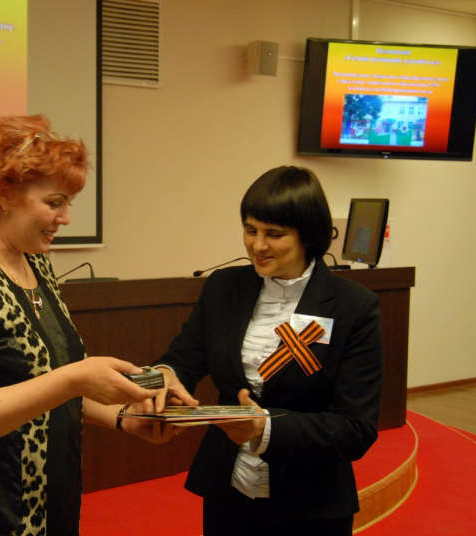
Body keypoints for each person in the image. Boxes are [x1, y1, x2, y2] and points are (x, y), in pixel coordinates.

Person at [0, 115, 154, 536]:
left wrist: (124, 417)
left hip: (45, 509)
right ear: (5, 194)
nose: (65, 218)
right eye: (54, 203)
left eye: (69, 204)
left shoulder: (35, 263)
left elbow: (44, 388)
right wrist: (75, 378)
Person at [125, 166, 383, 535]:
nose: (257, 246)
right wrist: (160, 378)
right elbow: (181, 360)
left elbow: (355, 428)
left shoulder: (353, 307)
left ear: (309, 235)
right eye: (250, 230)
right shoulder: (224, 287)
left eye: (274, 234)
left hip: (310, 503)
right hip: (228, 490)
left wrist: (264, 426)